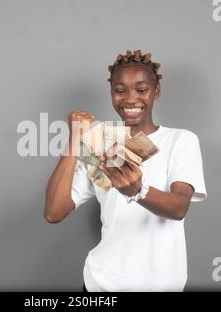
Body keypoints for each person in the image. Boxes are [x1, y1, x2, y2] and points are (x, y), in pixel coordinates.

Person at [44, 49, 207, 292]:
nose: (131, 99)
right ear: (112, 94)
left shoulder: (181, 140)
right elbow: (54, 212)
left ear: (156, 92)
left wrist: (138, 191)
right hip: (102, 285)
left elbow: (179, 207)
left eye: (141, 89)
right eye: (120, 90)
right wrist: (74, 138)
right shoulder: (100, 145)